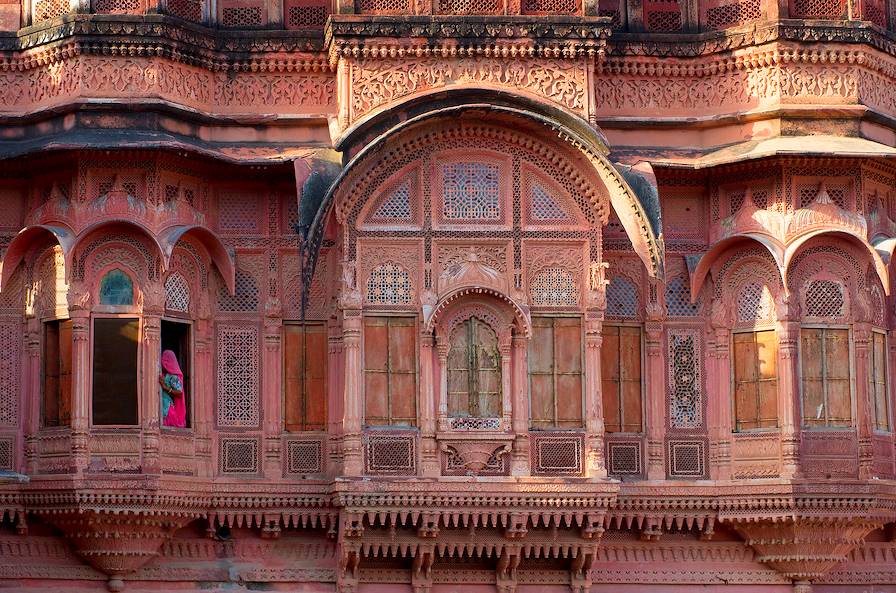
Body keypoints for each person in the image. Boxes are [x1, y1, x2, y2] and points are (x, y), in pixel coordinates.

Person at [159, 350, 187, 428]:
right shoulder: (163, 374)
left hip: (168, 410)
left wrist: (165, 387)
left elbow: (179, 393)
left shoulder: (173, 377)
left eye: (165, 360)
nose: (162, 362)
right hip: (162, 408)